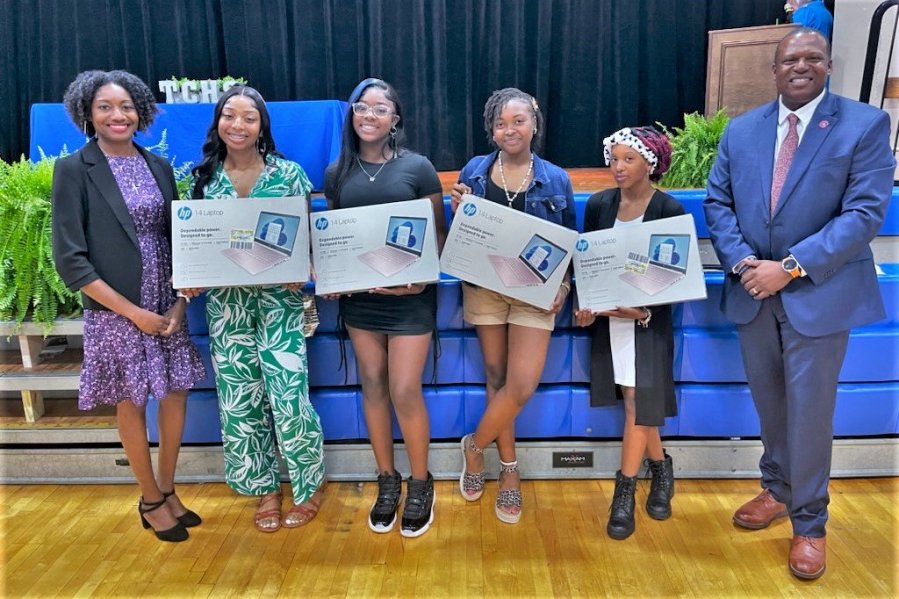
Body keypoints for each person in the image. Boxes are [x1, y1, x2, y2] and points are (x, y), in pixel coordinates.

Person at [704, 28, 893, 579]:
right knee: (771, 406)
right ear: (774, 68)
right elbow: (719, 203)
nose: (801, 66)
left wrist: (787, 269)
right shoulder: (742, 131)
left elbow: (863, 214)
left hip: (819, 293)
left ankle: (810, 524)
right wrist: (745, 267)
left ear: (828, 64)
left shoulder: (863, 125)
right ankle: (777, 489)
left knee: (810, 415)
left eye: (812, 57)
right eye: (791, 59)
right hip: (753, 294)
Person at [52, 70, 206, 542]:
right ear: (87, 113)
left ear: (141, 111)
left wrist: (180, 302)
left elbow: (180, 240)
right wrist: (133, 313)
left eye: (126, 106)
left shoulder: (158, 166)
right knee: (132, 401)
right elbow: (70, 259)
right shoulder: (75, 169)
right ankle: (149, 499)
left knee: (175, 395)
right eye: (105, 107)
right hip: (117, 312)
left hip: (165, 307)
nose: (117, 115)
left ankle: (168, 488)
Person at [182, 85, 325, 533]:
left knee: (289, 396)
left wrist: (303, 269)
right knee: (240, 401)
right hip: (227, 309)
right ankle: (265, 490)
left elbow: (309, 243)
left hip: (280, 304)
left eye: (249, 117)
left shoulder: (289, 175)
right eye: (229, 115)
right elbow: (194, 246)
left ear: (262, 125)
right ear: (218, 122)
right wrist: (191, 277)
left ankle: (309, 485)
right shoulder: (202, 179)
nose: (238, 125)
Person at [323, 78, 446, 538]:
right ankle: (387, 480)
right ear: (352, 115)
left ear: (395, 120)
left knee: (404, 388)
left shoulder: (418, 167)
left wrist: (419, 279)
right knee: (372, 385)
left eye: (380, 109)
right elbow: (333, 234)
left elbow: (437, 237)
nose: (369, 116)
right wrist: (331, 275)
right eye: (362, 107)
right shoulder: (337, 171)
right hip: (361, 302)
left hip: (411, 300)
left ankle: (420, 482)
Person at [450, 88, 576, 524]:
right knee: (497, 377)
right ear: (492, 128)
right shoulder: (475, 170)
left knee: (521, 384)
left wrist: (565, 285)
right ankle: (508, 472)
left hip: (534, 293)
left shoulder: (556, 179)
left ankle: (474, 446)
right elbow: (465, 234)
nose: (510, 130)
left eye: (518, 121)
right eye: (501, 123)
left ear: (534, 124)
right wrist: (458, 212)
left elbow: (569, 242)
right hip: (485, 285)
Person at [575, 126, 682, 540]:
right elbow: (588, 262)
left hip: (646, 321)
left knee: (638, 399)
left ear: (650, 164)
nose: (617, 167)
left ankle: (624, 490)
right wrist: (586, 305)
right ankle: (662, 469)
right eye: (614, 159)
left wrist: (644, 310)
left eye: (628, 160)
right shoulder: (600, 204)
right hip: (609, 320)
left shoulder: (669, 209)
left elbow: (674, 275)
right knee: (637, 401)